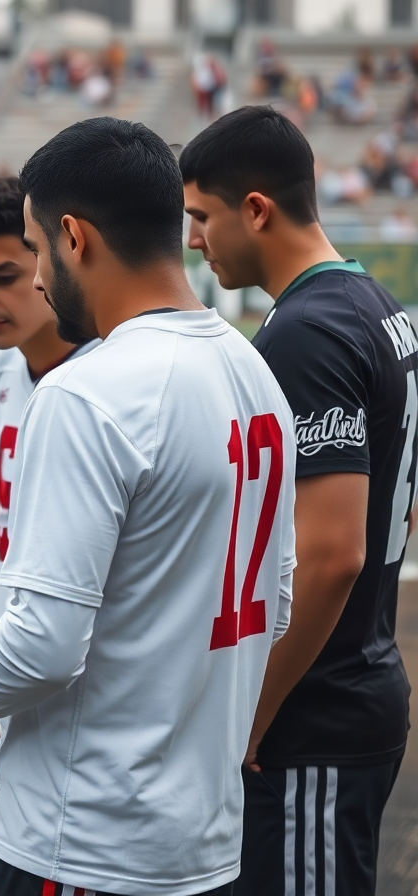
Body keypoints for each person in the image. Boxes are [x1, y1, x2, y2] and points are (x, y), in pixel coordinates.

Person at [0, 117, 297, 896]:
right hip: (203, 835)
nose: (33, 279)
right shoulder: (253, 368)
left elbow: (45, 644)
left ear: (72, 237)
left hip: (88, 839)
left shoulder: (87, 391)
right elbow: (277, 598)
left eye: (31, 251)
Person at [181, 104, 414, 896]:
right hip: (358, 679)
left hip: (318, 709)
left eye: (201, 216)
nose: (192, 240)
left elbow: (331, 553)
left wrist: (256, 707)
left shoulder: (308, 331)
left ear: (256, 209)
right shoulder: (380, 310)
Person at [0, 175, 99, 832]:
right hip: (19, 684)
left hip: (88, 714)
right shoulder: (2, 371)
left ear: (51, 253)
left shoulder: (104, 381)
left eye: (3, 275)